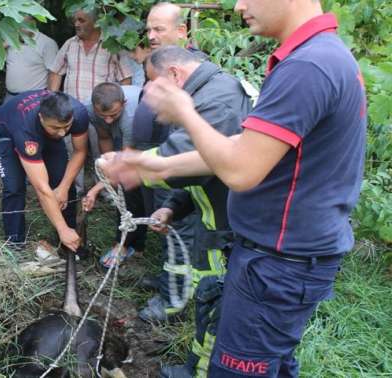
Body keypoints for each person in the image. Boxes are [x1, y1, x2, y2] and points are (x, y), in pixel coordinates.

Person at [102, 1, 367, 376]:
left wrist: (186, 113)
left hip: (279, 263)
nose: (239, 5)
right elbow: (247, 148)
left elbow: (240, 170)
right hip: (279, 258)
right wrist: (153, 165)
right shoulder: (316, 56)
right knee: (272, 364)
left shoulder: (309, 66)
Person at [140, 46, 251, 377]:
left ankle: (203, 371)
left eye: (154, 86)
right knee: (209, 298)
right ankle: (197, 364)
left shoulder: (219, 100)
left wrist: (127, 166)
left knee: (219, 305)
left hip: (231, 231)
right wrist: (173, 207)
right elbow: (205, 169)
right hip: (214, 223)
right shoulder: (206, 92)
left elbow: (189, 162)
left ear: (174, 74)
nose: (150, 96)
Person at [48, 9, 134, 195]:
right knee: (71, 153)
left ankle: (105, 192)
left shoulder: (112, 45)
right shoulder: (70, 44)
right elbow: (56, 71)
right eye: (75, 20)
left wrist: (118, 108)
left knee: (101, 154)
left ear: (96, 22)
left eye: (82, 20)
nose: (76, 24)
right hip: (70, 114)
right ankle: (74, 192)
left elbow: (125, 78)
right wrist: (52, 102)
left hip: (100, 114)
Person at [0, 90, 89, 254]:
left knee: (62, 180)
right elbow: (41, 187)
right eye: (56, 127)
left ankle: (70, 240)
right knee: (14, 187)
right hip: (9, 131)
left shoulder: (79, 113)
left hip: (43, 133)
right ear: (41, 118)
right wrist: (61, 228)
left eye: (66, 127)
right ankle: (14, 241)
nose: (62, 133)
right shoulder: (25, 127)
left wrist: (63, 187)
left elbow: (80, 151)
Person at [81, 83, 146, 268]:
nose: (108, 120)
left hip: (150, 141)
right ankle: (135, 245)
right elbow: (104, 137)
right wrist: (106, 168)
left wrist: (95, 189)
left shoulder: (130, 118)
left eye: (113, 115)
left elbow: (125, 166)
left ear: (123, 104)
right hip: (124, 145)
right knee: (124, 187)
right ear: (94, 107)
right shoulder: (90, 109)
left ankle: (125, 245)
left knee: (130, 187)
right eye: (103, 116)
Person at [4, 16, 58, 102]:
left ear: (33, 23)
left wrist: (50, 100)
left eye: (21, 24)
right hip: (10, 96)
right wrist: (1, 46)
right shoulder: (10, 41)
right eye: (14, 24)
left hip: (34, 98)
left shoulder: (47, 43)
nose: (17, 28)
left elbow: (54, 73)